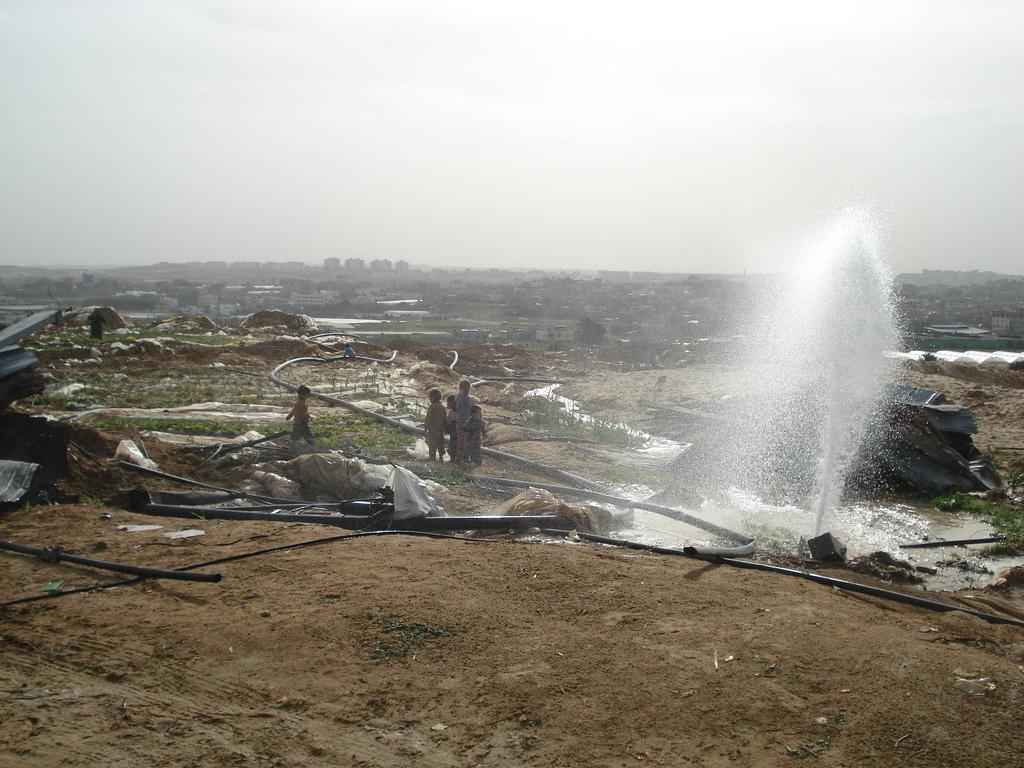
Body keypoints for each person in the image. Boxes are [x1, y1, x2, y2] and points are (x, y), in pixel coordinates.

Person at [424, 387, 447, 462]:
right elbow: (445, 418)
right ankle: (441, 457)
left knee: (432, 445)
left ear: (432, 398)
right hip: (440, 429)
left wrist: (425, 427)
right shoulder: (442, 407)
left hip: (433, 430)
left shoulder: (432, 407)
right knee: (440, 444)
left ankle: (432, 458)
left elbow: (428, 418)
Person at [454, 378, 474, 462]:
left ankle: (465, 457)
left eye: (468, 389)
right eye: (465, 388)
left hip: (466, 422)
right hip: (461, 421)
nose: (467, 390)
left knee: (466, 440)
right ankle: (460, 458)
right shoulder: (460, 397)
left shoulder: (467, 397)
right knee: (461, 441)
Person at [445, 394, 458, 462]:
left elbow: (451, 423)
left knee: (453, 446)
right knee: (452, 445)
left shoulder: (456, 414)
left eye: (448, 403)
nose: (447, 404)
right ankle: (453, 458)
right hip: (453, 433)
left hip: (455, 433)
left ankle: (453, 459)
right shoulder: (452, 412)